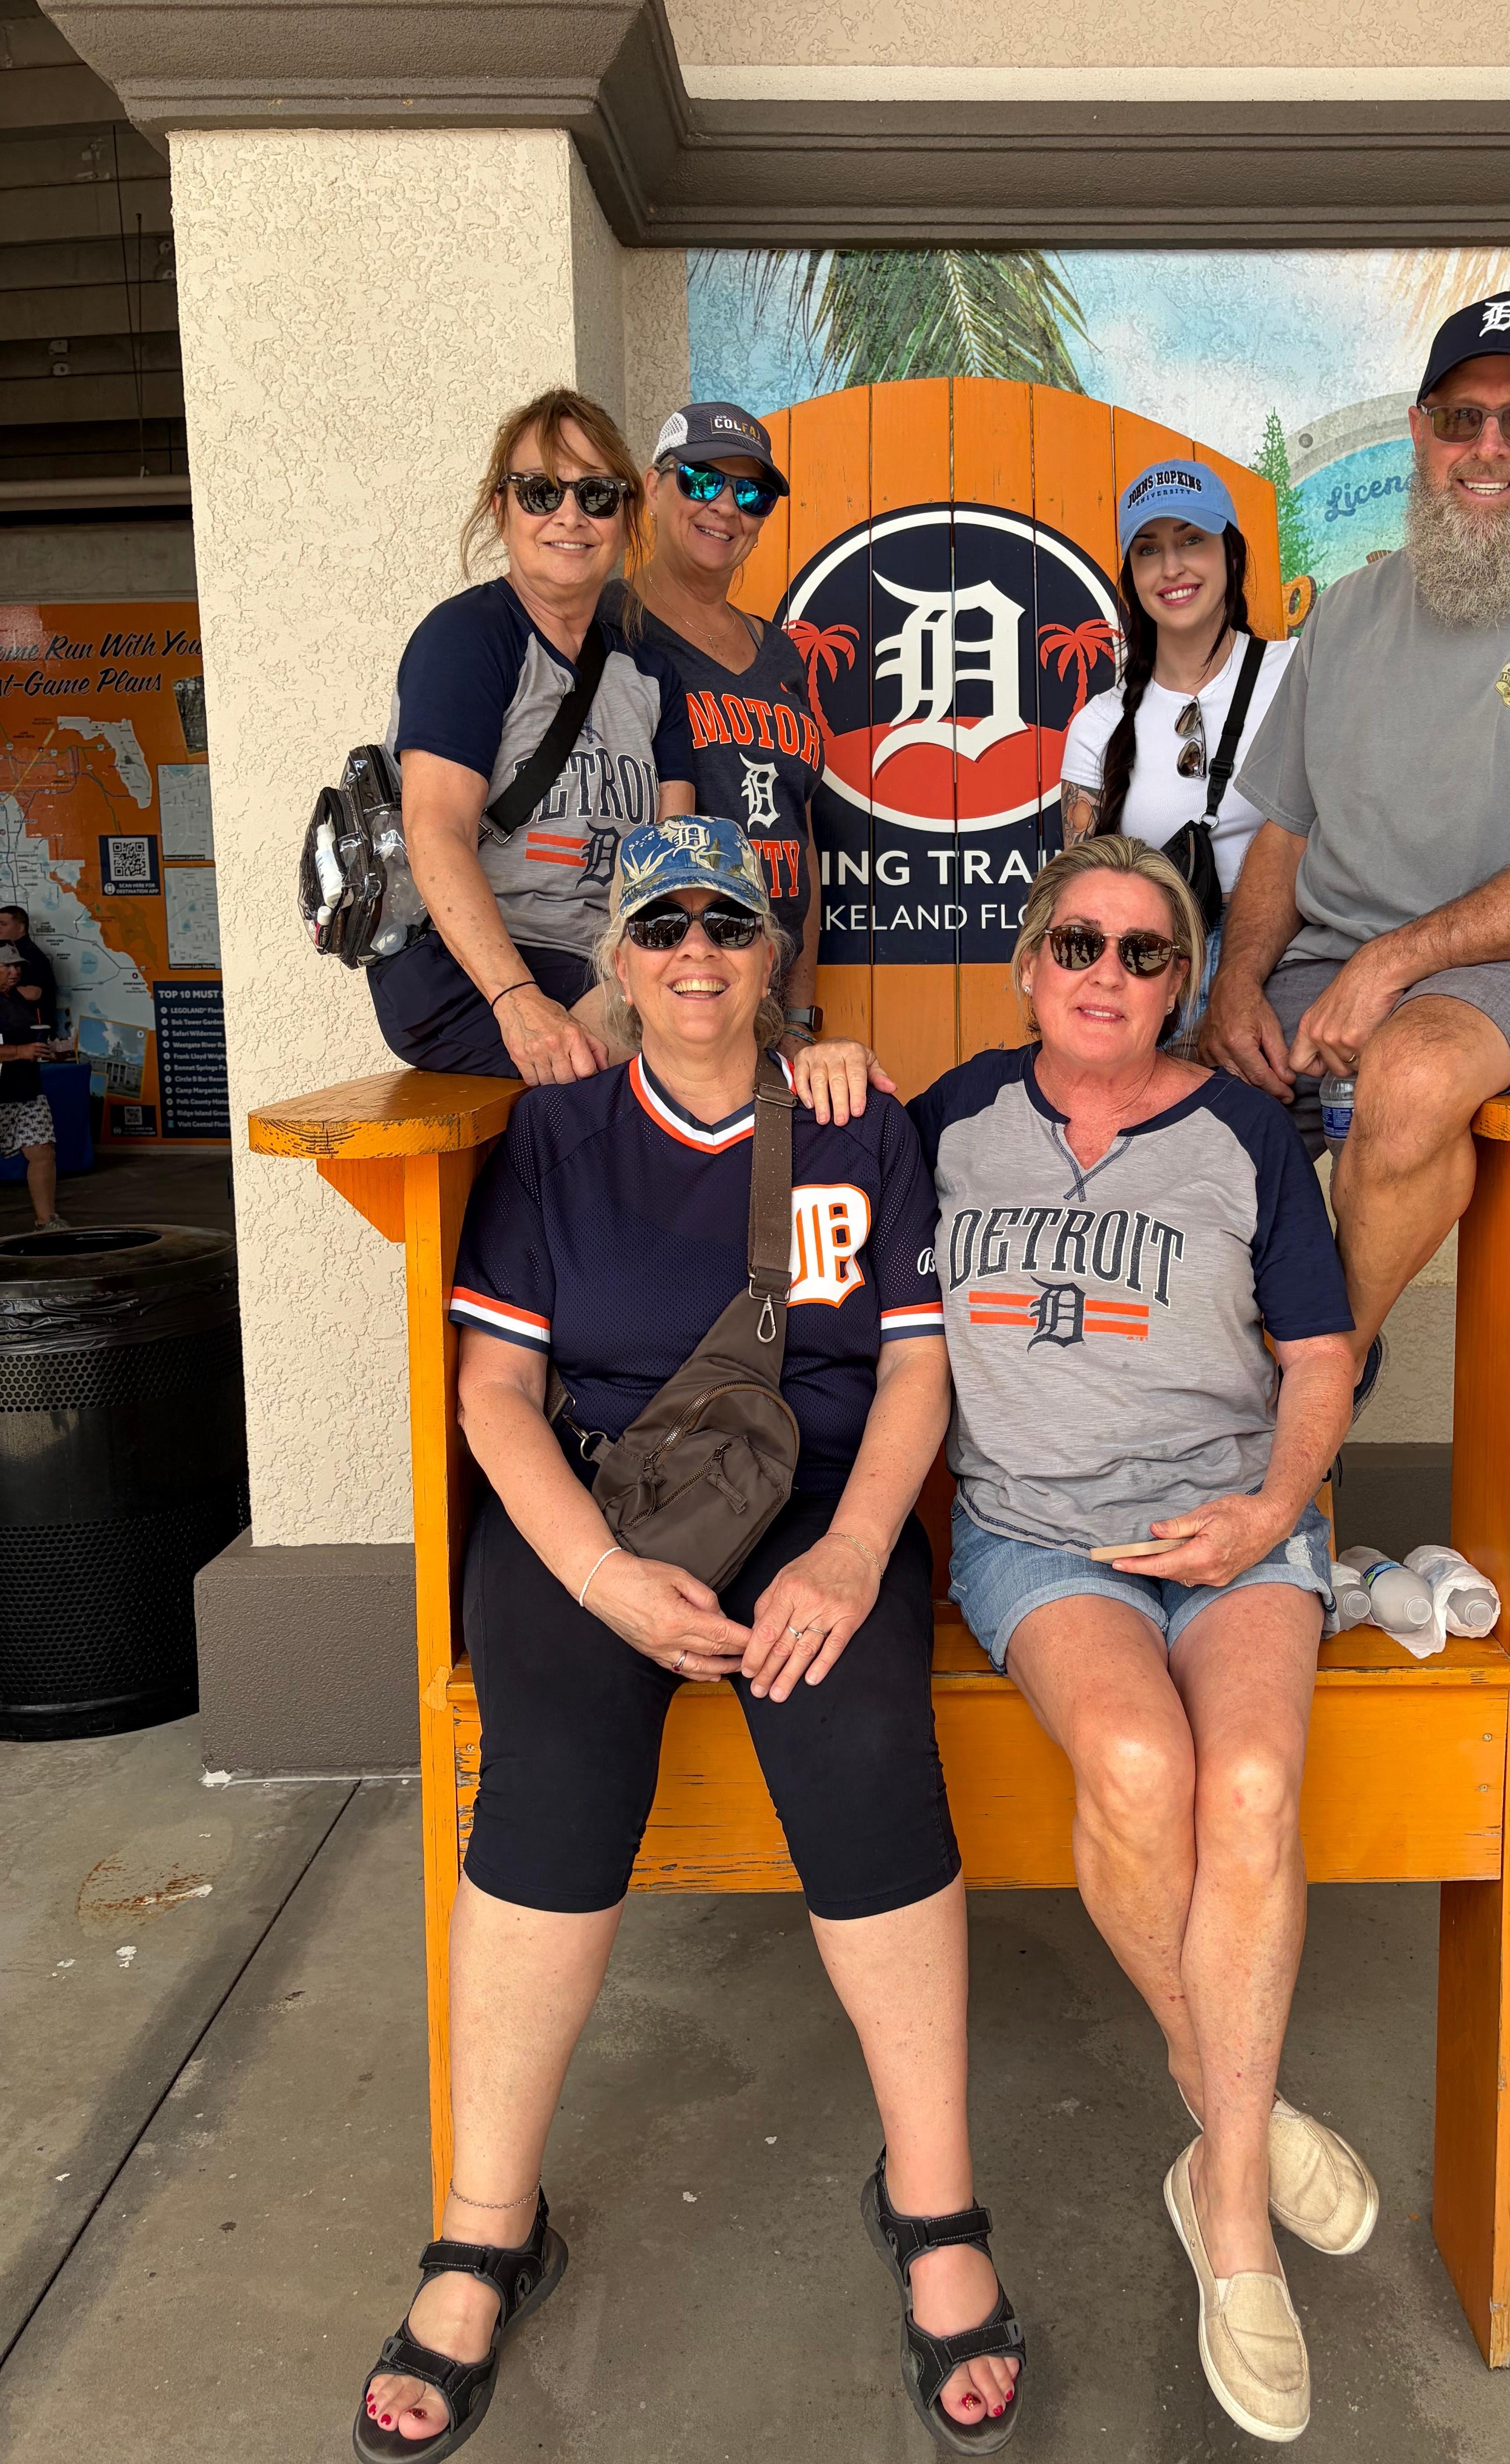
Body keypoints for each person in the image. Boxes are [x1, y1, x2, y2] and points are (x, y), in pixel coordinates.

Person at [356, 815, 1024, 2461]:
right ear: (622, 955)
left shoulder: (853, 1121)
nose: (698, 951)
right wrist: (595, 1574)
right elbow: (495, 1392)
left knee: (863, 1747)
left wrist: (856, 1553)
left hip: (812, 1502)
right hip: (599, 1504)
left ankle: (934, 2205)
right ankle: (485, 2227)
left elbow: (917, 1366)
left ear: (772, 949)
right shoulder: (560, 1131)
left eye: (729, 919)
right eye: (662, 924)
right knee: (552, 1776)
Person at [909, 834, 1372, 2445]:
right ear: (1029, 964)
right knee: (1130, 1755)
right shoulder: (946, 1121)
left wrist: (1268, 1512)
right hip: (1041, 1531)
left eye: (1146, 950)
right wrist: (811, 1066)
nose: (1109, 973)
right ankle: (1233, 2110)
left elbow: (1321, 1356)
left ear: (1181, 982)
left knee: (1247, 1784)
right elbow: (787, 1185)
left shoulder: (1241, 1131)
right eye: (1080, 943)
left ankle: (1227, 2218)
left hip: (1235, 1521)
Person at [1201, 291, 1510, 1414]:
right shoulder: (1344, 614)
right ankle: (1200, 1400)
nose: (1489, 448)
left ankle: (1316, 1387)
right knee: (1180, 1094)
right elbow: (1284, 829)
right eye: (1461, 418)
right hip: (1321, 971)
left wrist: (1393, 966)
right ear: (1421, 432)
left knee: (1415, 1071)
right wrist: (1234, 988)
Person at [368, 388, 699, 1085]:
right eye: (541, 492)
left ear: (626, 515)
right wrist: (518, 1001)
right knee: (639, 1074)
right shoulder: (469, 640)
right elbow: (436, 832)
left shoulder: (650, 674)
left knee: (713, 1043)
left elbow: (669, 866)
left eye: (597, 495)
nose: (570, 516)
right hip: (475, 972)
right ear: (502, 508)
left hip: (602, 970)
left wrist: (646, 988)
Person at [632, 404, 849, 1070]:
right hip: (677, 991)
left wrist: (798, 1016)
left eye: (751, 494)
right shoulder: (615, 631)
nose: (726, 506)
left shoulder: (780, 652)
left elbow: (797, 835)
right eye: (702, 480)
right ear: (653, 488)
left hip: (768, 999)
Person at [1058, 461, 1295, 1047]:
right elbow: (1082, 902)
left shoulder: (1296, 672)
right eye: (1148, 550)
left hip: (1290, 967)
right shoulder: (1098, 725)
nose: (1171, 568)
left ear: (1231, 555)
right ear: (1130, 576)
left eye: (1192, 541)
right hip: (1158, 984)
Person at [0, 954, 62, 1229]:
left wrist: (46, 1050)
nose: (14, 972)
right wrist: (19, 1052)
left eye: (17, 966)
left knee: (43, 1151)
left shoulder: (16, 998)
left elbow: (28, 1040)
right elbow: (18, 1048)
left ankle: (47, 1222)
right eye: (6, 966)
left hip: (26, 1090)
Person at [0, 905, 57, 1015]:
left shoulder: (28, 954)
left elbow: (34, 993)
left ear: (21, 928)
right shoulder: (14, 950)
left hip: (30, 1023)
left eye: (4, 924)